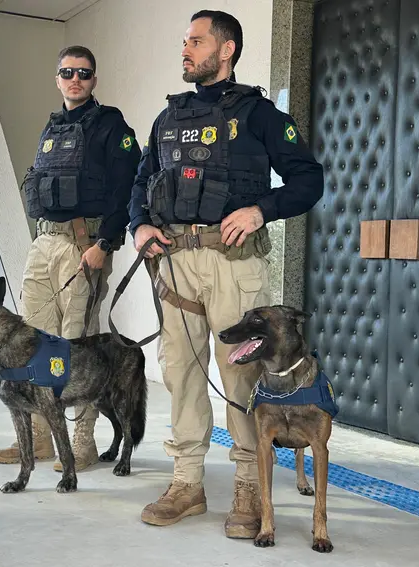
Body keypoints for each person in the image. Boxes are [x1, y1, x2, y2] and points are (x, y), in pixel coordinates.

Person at [128, 10, 324, 538]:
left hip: (234, 264)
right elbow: (142, 180)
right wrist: (139, 226)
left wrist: (261, 209)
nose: (186, 50)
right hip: (174, 261)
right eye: (184, 42)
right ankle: (186, 483)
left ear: (227, 49)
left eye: (196, 41)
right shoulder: (167, 119)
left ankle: (248, 485)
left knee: (239, 375)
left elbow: (309, 179)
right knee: (180, 374)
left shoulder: (259, 114)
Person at [0, 45, 142, 472]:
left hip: (84, 245)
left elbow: (126, 189)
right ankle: (40, 438)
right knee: (33, 342)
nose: (75, 79)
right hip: (43, 244)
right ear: (57, 78)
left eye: (84, 73)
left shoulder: (111, 125)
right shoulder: (53, 126)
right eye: (67, 72)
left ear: (94, 79)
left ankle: (83, 441)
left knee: (77, 344)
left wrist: (105, 243)